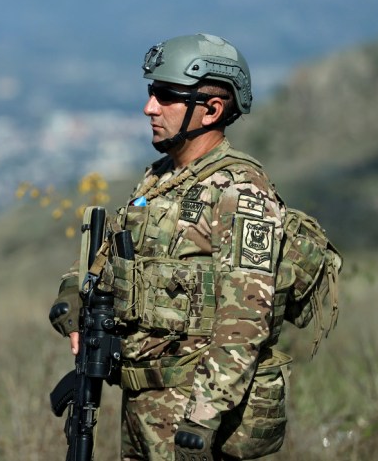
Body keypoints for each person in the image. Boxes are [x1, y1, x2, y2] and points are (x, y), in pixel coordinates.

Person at [50, 33, 290, 460]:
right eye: (150, 93)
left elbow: (246, 323)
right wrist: (75, 290)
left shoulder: (240, 191)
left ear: (212, 109)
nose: (149, 107)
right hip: (143, 406)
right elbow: (113, 257)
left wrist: (203, 417)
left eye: (166, 96)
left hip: (196, 417)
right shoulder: (159, 178)